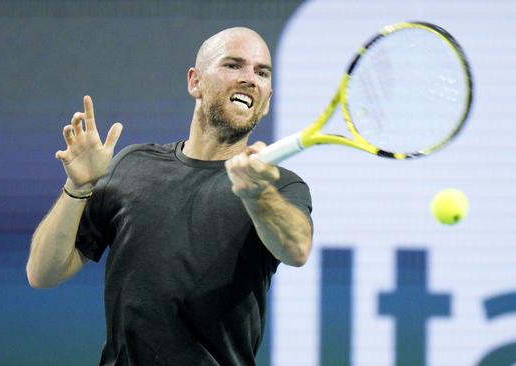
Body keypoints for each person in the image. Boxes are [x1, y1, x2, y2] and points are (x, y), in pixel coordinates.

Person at [26, 27, 313, 366]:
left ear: (266, 101)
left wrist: (256, 194)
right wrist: (78, 187)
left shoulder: (278, 187)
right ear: (195, 82)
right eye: (233, 65)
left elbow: (296, 250)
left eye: (261, 72)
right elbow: (43, 273)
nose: (250, 78)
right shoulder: (132, 165)